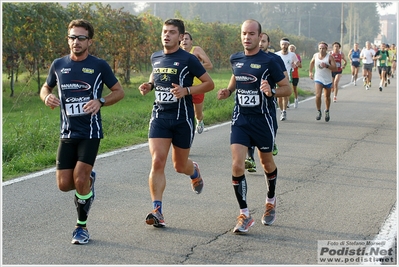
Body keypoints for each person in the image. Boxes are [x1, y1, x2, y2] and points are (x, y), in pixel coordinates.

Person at [39, 19, 125, 244]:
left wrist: (101, 101)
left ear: (89, 41)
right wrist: (46, 96)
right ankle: (88, 182)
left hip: (90, 132)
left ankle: (81, 227)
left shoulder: (99, 65)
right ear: (68, 39)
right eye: (72, 37)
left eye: (80, 38)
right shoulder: (58, 64)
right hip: (66, 133)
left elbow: (119, 91)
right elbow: (46, 86)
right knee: (64, 185)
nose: (75, 42)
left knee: (79, 177)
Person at [138, 18, 214, 228]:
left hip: (182, 119)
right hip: (160, 116)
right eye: (164, 31)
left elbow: (209, 84)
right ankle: (158, 211)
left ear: (181, 37)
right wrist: (150, 85)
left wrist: (187, 91)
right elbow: (156, 73)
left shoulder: (189, 59)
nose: (167, 35)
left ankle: (194, 171)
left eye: (172, 32)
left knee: (179, 166)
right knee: (157, 161)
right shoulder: (156, 56)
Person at [217, 20, 291, 233]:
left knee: (266, 162)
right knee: (237, 164)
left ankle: (270, 200)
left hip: (263, 120)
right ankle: (245, 214)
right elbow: (236, 76)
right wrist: (229, 91)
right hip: (241, 119)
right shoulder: (236, 58)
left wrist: (272, 92)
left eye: (251, 34)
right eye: (244, 33)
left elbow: (286, 88)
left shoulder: (271, 61)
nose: (247, 37)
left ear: (260, 37)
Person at [245, 32, 282, 173]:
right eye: (260, 41)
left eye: (264, 41)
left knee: (272, 125)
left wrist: (272, 91)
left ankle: (271, 141)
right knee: (247, 131)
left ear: (268, 43)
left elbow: (283, 79)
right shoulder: (246, 58)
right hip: (249, 107)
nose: (261, 44)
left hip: (267, 105)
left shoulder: (274, 59)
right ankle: (250, 159)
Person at [180, 31, 213, 134]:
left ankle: (200, 120)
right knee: (184, 112)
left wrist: (195, 67)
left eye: (187, 39)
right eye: (183, 39)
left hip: (198, 87)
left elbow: (209, 65)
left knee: (197, 113)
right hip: (184, 88)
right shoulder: (178, 53)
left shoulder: (196, 50)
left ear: (191, 42)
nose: (184, 41)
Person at [309, 41, 337, 122]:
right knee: (318, 95)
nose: (321, 50)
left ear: (326, 49)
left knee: (327, 97)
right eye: (320, 48)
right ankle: (318, 111)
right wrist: (310, 72)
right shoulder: (315, 55)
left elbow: (335, 68)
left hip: (327, 79)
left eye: (323, 48)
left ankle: (327, 110)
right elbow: (311, 63)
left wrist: (327, 66)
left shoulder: (329, 57)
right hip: (318, 78)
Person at [275, 37, 297, 121]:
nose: (284, 46)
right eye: (282, 44)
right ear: (280, 45)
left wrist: (295, 64)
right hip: (278, 77)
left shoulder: (292, 55)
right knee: (279, 96)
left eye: (285, 44)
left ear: (288, 45)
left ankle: (284, 111)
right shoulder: (277, 55)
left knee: (285, 95)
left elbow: (297, 62)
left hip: (288, 77)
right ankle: (281, 110)